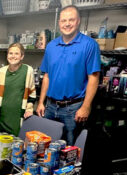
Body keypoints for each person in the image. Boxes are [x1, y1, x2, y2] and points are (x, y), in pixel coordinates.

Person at [36, 5, 100, 145]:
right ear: (59, 23)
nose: (67, 24)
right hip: (51, 107)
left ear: (78, 21)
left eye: (71, 20)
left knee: (69, 150)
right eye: (63, 20)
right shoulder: (51, 46)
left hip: (73, 108)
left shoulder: (89, 45)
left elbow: (93, 78)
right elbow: (47, 76)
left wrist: (86, 106)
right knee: (46, 146)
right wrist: (41, 102)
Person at [0, 43, 36, 137]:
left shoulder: (28, 71)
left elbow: (32, 93)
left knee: (17, 145)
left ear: (22, 56)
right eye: (10, 53)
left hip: (18, 117)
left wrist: (29, 109)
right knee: (1, 143)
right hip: (2, 117)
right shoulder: (0, 72)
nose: (13, 56)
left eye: (16, 53)